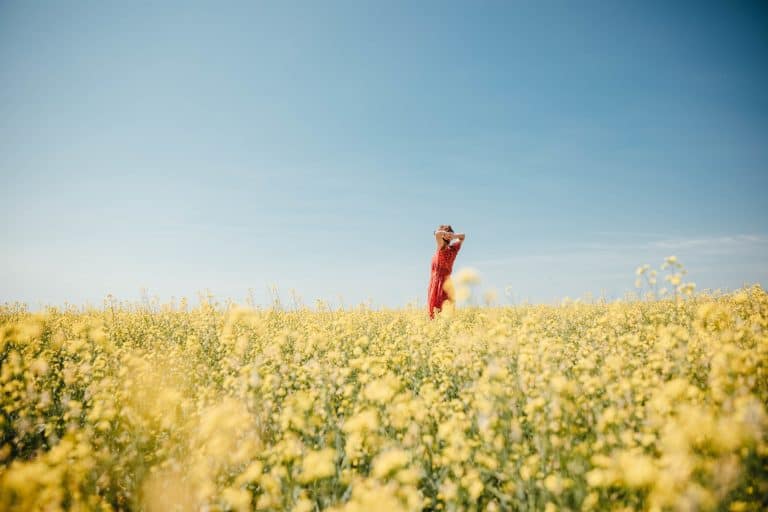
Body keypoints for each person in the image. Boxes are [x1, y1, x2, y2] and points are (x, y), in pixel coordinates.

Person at [427, 224, 466, 318]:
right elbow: (463, 236)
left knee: (435, 314)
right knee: (447, 314)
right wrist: (453, 236)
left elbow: (437, 234)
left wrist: (445, 234)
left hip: (438, 284)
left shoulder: (441, 247)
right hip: (448, 284)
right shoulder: (454, 249)